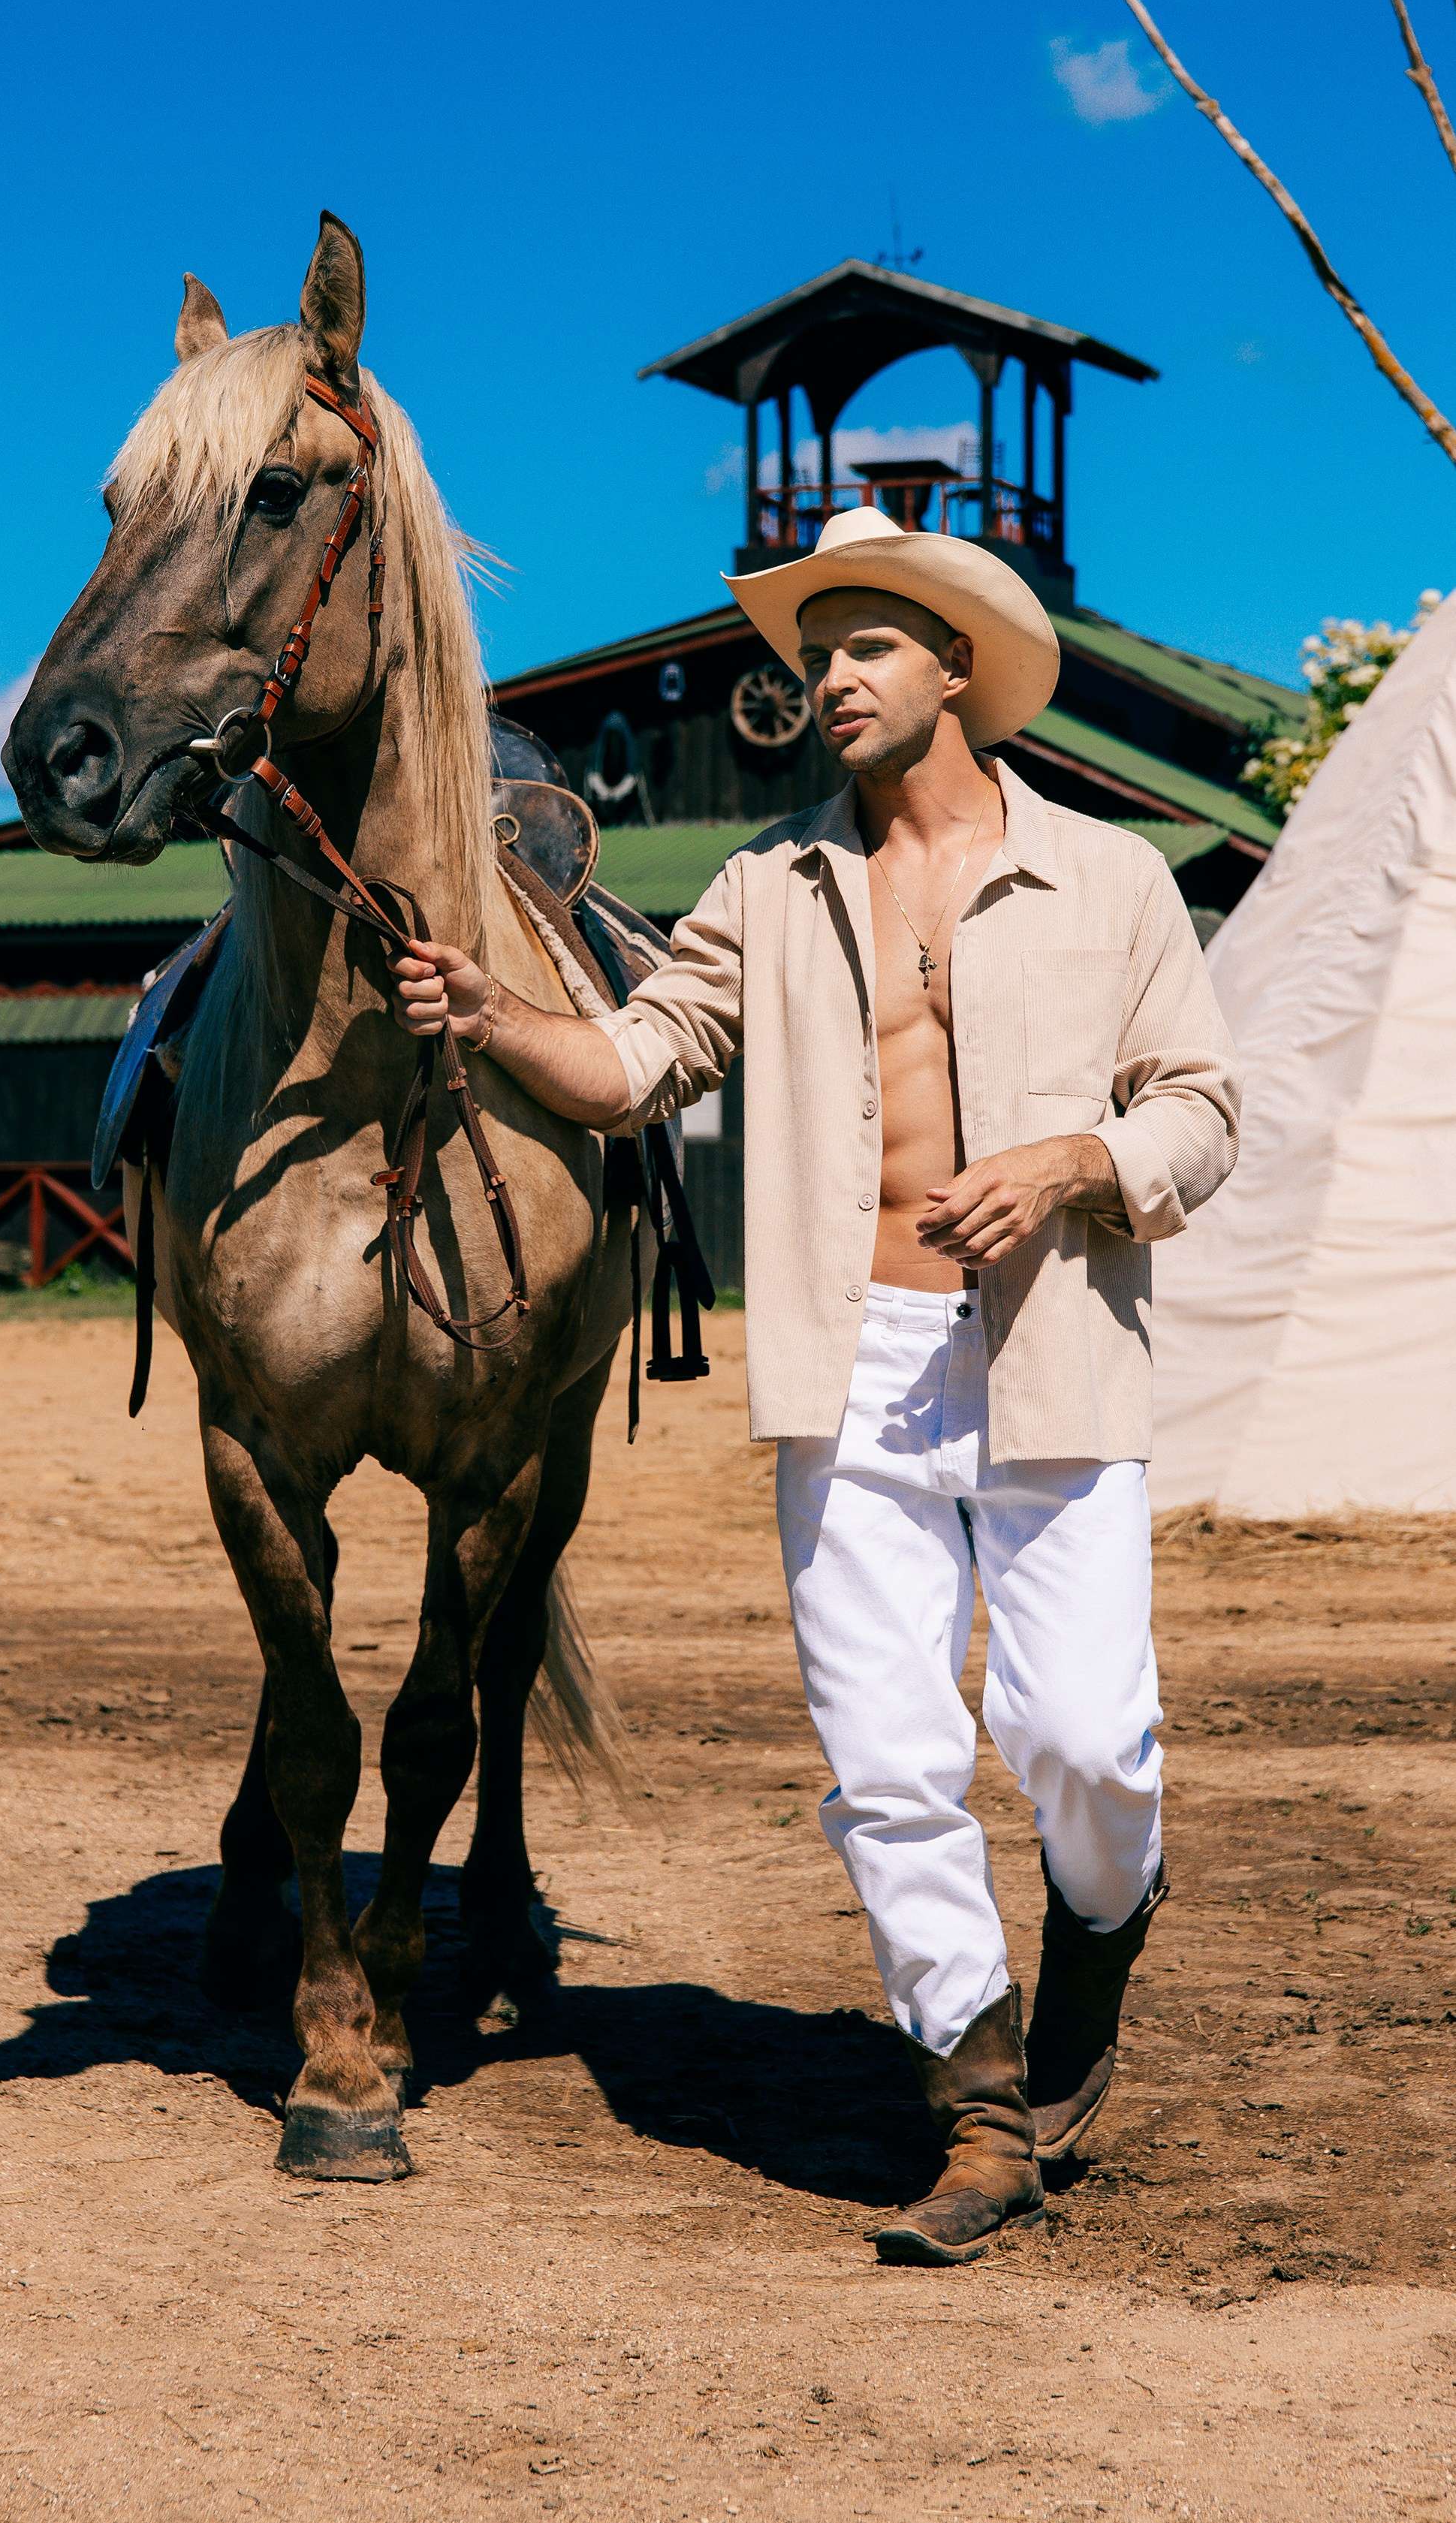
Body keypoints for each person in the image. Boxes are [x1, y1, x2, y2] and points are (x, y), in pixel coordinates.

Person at [393, 505, 1240, 2267]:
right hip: (849, 1360)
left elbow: (1207, 1108)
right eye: (811, 654)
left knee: (1086, 1736)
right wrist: (488, 1012)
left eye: (862, 647)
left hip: (1055, 1356)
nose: (825, 678)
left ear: (955, 666)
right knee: (888, 1758)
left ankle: (1102, 1923)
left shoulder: (1113, 875)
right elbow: (636, 1057)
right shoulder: (767, 887)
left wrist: (1077, 1156)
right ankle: (981, 2107)